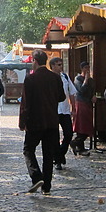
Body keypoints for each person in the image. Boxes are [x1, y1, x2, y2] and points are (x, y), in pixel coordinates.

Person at [19, 49, 65, 195]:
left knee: (28, 150)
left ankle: (36, 176)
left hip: (35, 122)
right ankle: (47, 186)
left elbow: (26, 103)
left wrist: (23, 122)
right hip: (51, 120)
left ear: (35, 61)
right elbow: (61, 97)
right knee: (48, 153)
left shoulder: (31, 79)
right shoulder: (55, 77)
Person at [50, 57, 77, 170]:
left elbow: (72, 92)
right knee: (54, 136)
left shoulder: (65, 77)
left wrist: (74, 108)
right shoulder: (49, 78)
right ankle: (58, 161)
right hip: (53, 111)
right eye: (58, 65)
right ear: (52, 66)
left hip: (65, 110)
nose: (61, 67)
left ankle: (60, 154)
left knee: (69, 134)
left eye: (61, 64)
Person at [70, 61, 95, 156]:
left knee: (86, 126)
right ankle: (75, 143)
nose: (87, 70)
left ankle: (80, 147)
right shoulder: (78, 79)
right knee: (82, 126)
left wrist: (93, 96)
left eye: (88, 67)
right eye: (85, 68)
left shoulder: (91, 80)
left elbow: (91, 90)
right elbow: (81, 90)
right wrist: (86, 80)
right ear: (82, 69)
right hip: (81, 104)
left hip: (88, 103)